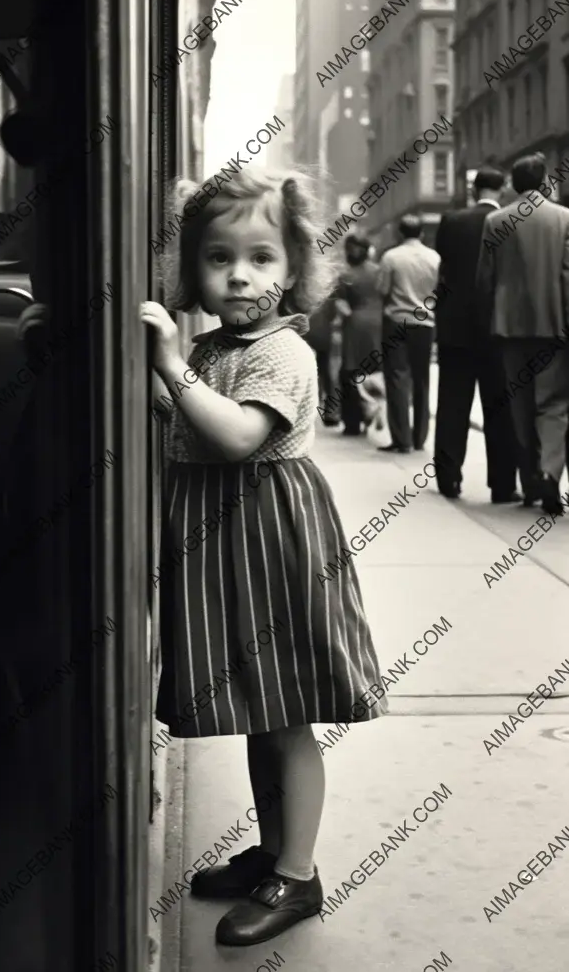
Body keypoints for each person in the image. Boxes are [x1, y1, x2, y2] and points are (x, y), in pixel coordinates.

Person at [140, 168, 387, 948]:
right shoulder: (215, 344)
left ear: (294, 269)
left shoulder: (283, 353)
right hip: (225, 538)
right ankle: (273, 854)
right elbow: (184, 417)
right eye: (219, 258)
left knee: (285, 716)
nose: (240, 274)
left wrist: (173, 368)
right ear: (194, 270)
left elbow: (240, 435)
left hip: (268, 537)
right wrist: (164, 372)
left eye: (261, 257)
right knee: (257, 710)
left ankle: (300, 872)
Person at [475, 152, 569, 514]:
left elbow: (485, 279)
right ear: (544, 182)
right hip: (553, 327)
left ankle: (529, 481)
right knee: (554, 405)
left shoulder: (496, 221)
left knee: (521, 405)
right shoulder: (563, 219)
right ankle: (550, 473)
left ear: (513, 185)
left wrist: (489, 323)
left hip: (510, 329)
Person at [433, 166, 520, 502]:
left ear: (474, 190)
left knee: (453, 402)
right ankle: (502, 484)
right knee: (499, 406)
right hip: (496, 327)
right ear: (503, 190)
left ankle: (449, 477)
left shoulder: (452, 222)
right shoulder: (511, 222)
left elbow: (445, 270)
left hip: (455, 327)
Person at [376, 213, 440, 453]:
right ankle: (420, 437)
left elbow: (382, 289)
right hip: (425, 323)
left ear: (399, 233)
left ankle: (402, 439)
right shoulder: (434, 258)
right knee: (421, 379)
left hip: (397, 321)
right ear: (421, 233)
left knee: (397, 378)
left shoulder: (391, 257)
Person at [335, 232, 383, 436]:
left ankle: (353, 422)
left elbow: (341, 306)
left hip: (355, 326)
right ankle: (375, 407)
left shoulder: (345, 276)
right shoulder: (380, 271)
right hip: (380, 324)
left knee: (350, 373)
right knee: (375, 370)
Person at [303, 292, 339, 425]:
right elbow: (334, 315)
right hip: (323, 333)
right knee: (327, 373)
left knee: (305, 370)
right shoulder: (330, 293)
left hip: (305, 332)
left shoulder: (305, 290)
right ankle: (331, 412)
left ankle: (306, 410)